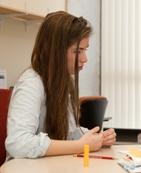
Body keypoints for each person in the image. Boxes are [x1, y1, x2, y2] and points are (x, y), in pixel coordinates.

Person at [5, 11, 116, 159]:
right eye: (78, 51)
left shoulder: (62, 82)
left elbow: (69, 133)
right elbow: (18, 143)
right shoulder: (31, 83)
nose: (85, 59)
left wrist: (97, 138)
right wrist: (82, 145)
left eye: (85, 50)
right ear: (55, 51)